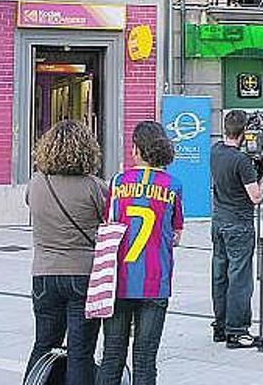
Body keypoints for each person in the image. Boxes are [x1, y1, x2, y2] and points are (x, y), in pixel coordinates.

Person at [98, 121, 184, 385]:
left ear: (135, 148)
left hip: (119, 280)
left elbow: (107, 225)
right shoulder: (173, 185)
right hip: (155, 282)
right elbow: (177, 235)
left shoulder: (118, 182)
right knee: (145, 359)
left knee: (112, 356)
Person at [24, 120, 107, 385]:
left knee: (44, 344)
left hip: (44, 276)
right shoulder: (95, 187)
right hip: (84, 275)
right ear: (86, 150)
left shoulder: (36, 184)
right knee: (80, 352)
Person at [210, 110, 263, 348]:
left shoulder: (215, 150)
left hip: (218, 222)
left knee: (220, 275)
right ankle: (237, 331)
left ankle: (221, 326)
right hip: (239, 225)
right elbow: (256, 196)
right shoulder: (241, 161)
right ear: (244, 133)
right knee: (239, 278)